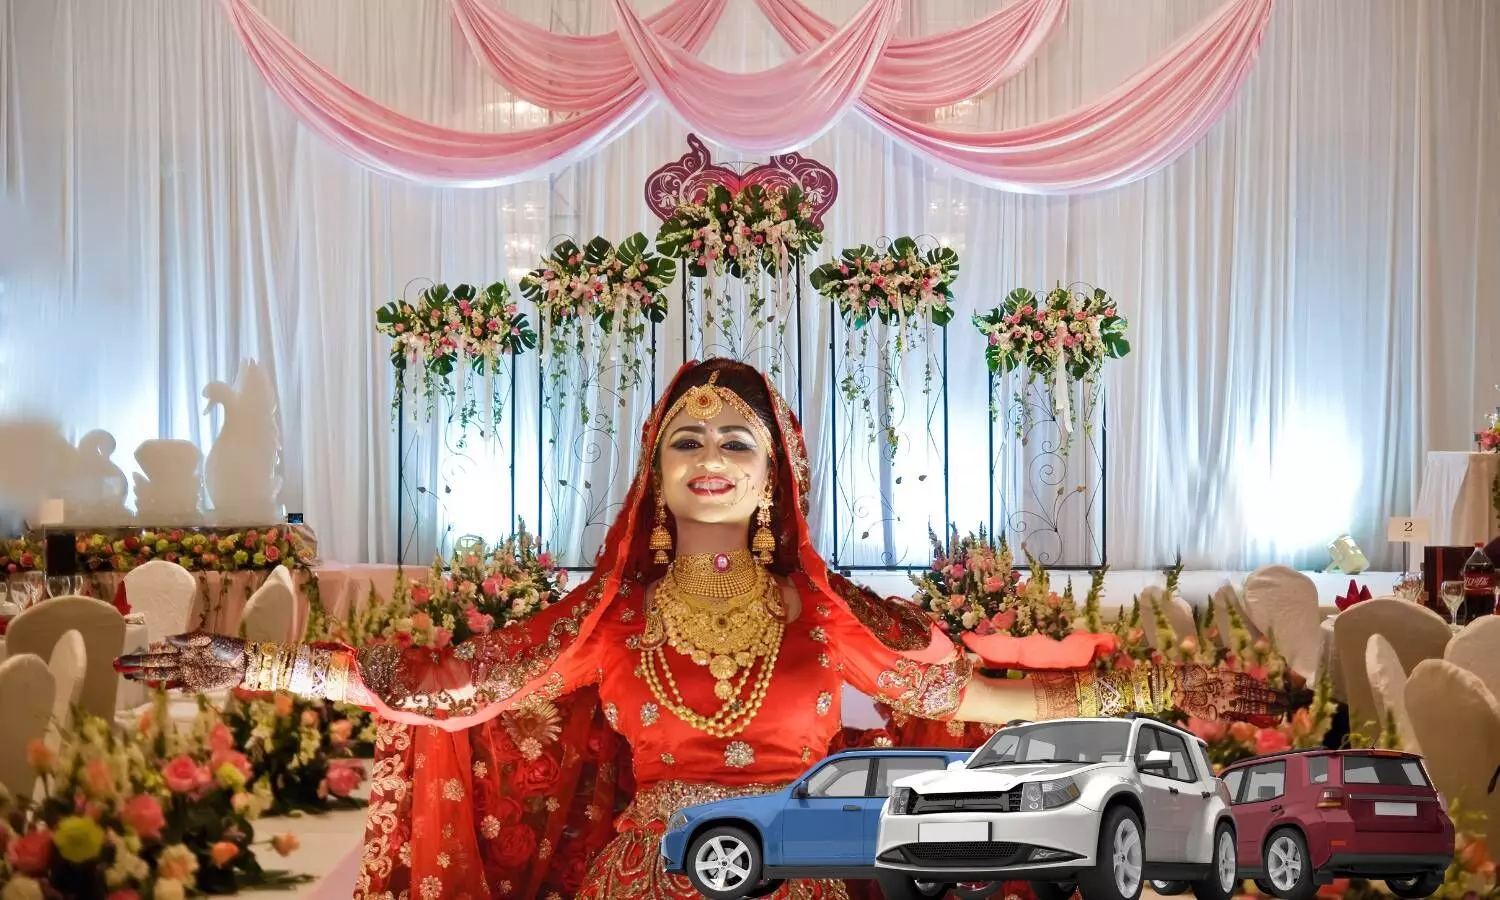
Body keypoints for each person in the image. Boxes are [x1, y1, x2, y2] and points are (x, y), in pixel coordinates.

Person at [118, 359, 1279, 899]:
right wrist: (255, 662)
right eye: (687, 438)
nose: (711, 459)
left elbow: (991, 698)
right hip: (649, 869)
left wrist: (1164, 696)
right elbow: (440, 689)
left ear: (775, 479)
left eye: (736, 442)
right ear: (655, 473)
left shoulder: (831, 626)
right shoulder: (609, 622)